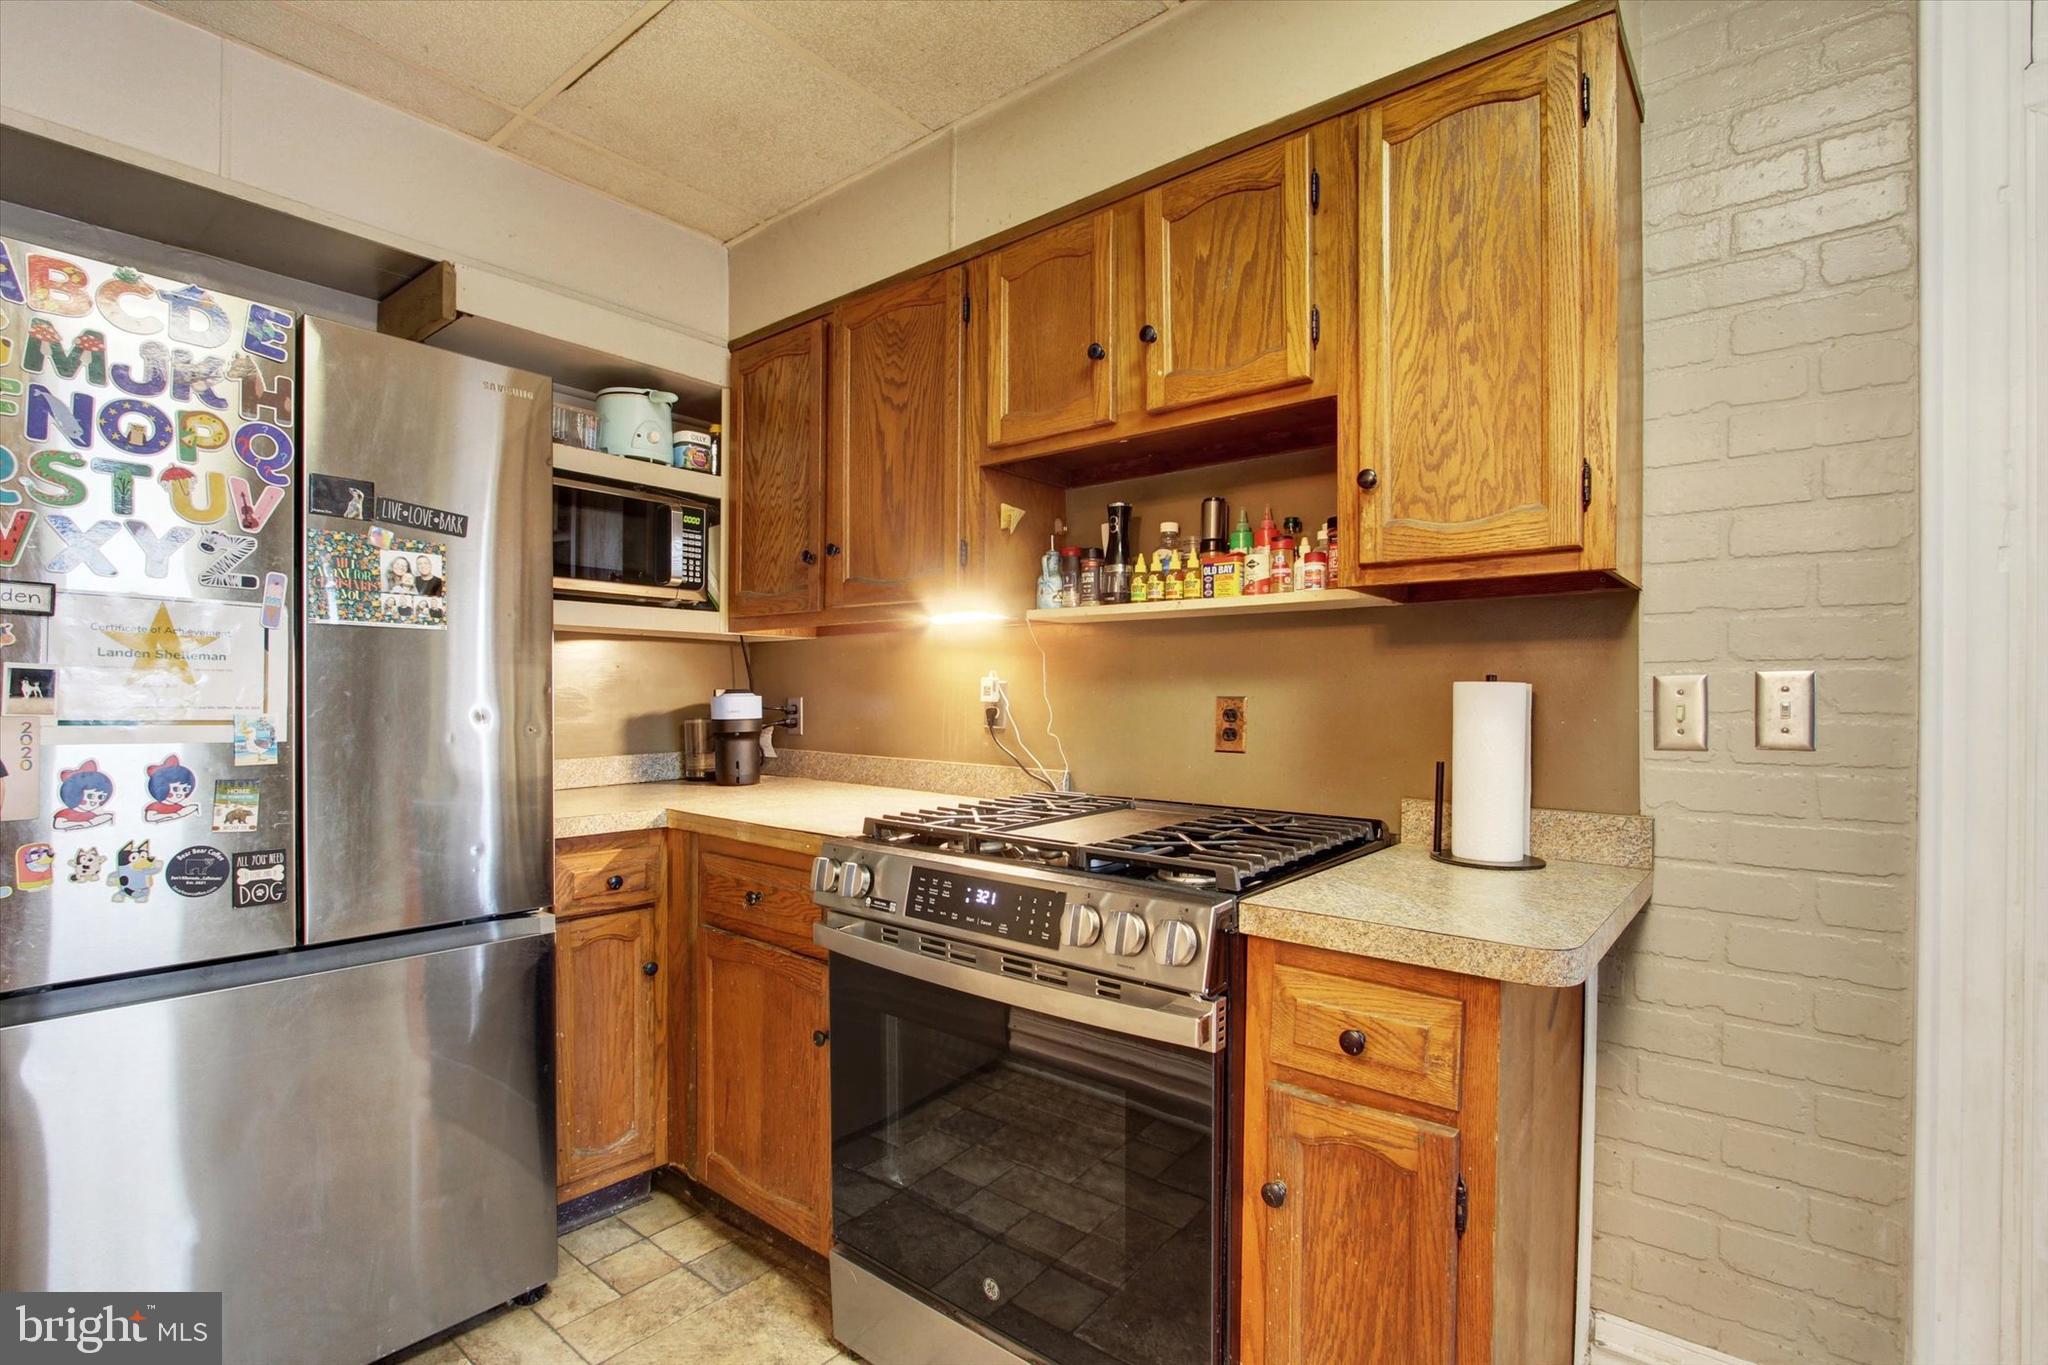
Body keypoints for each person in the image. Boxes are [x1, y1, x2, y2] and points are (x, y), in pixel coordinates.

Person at [53, 761, 114, 830]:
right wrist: (82, 823)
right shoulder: (65, 813)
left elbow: (107, 817)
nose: (95, 801)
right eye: (90, 796)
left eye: (101, 797)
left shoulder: (93, 813)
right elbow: (58, 825)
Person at [142, 754, 198, 822]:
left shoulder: (179, 807)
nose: (180, 794)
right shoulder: (155, 806)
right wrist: (173, 815)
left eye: (185, 789)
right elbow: (150, 817)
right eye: (175, 789)